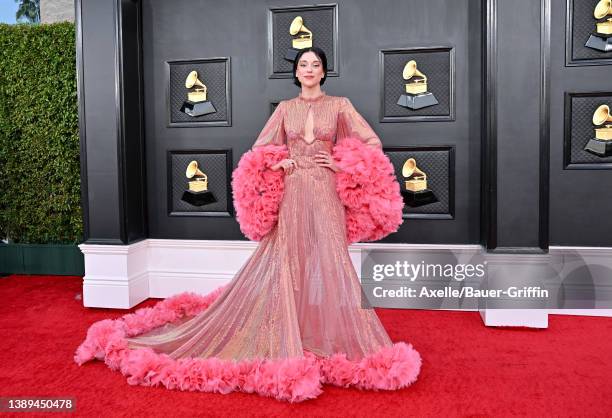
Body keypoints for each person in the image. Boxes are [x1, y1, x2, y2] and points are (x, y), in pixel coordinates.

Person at [74, 47, 421, 403]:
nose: (309, 70)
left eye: (315, 65)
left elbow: (371, 142)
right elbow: (260, 149)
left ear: (324, 71)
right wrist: (278, 163)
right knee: (289, 259)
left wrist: (336, 161)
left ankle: (323, 332)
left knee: (331, 258)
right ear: (297, 72)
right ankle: (289, 331)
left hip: (325, 194)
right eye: (304, 65)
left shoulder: (341, 105)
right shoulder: (285, 109)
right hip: (293, 194)